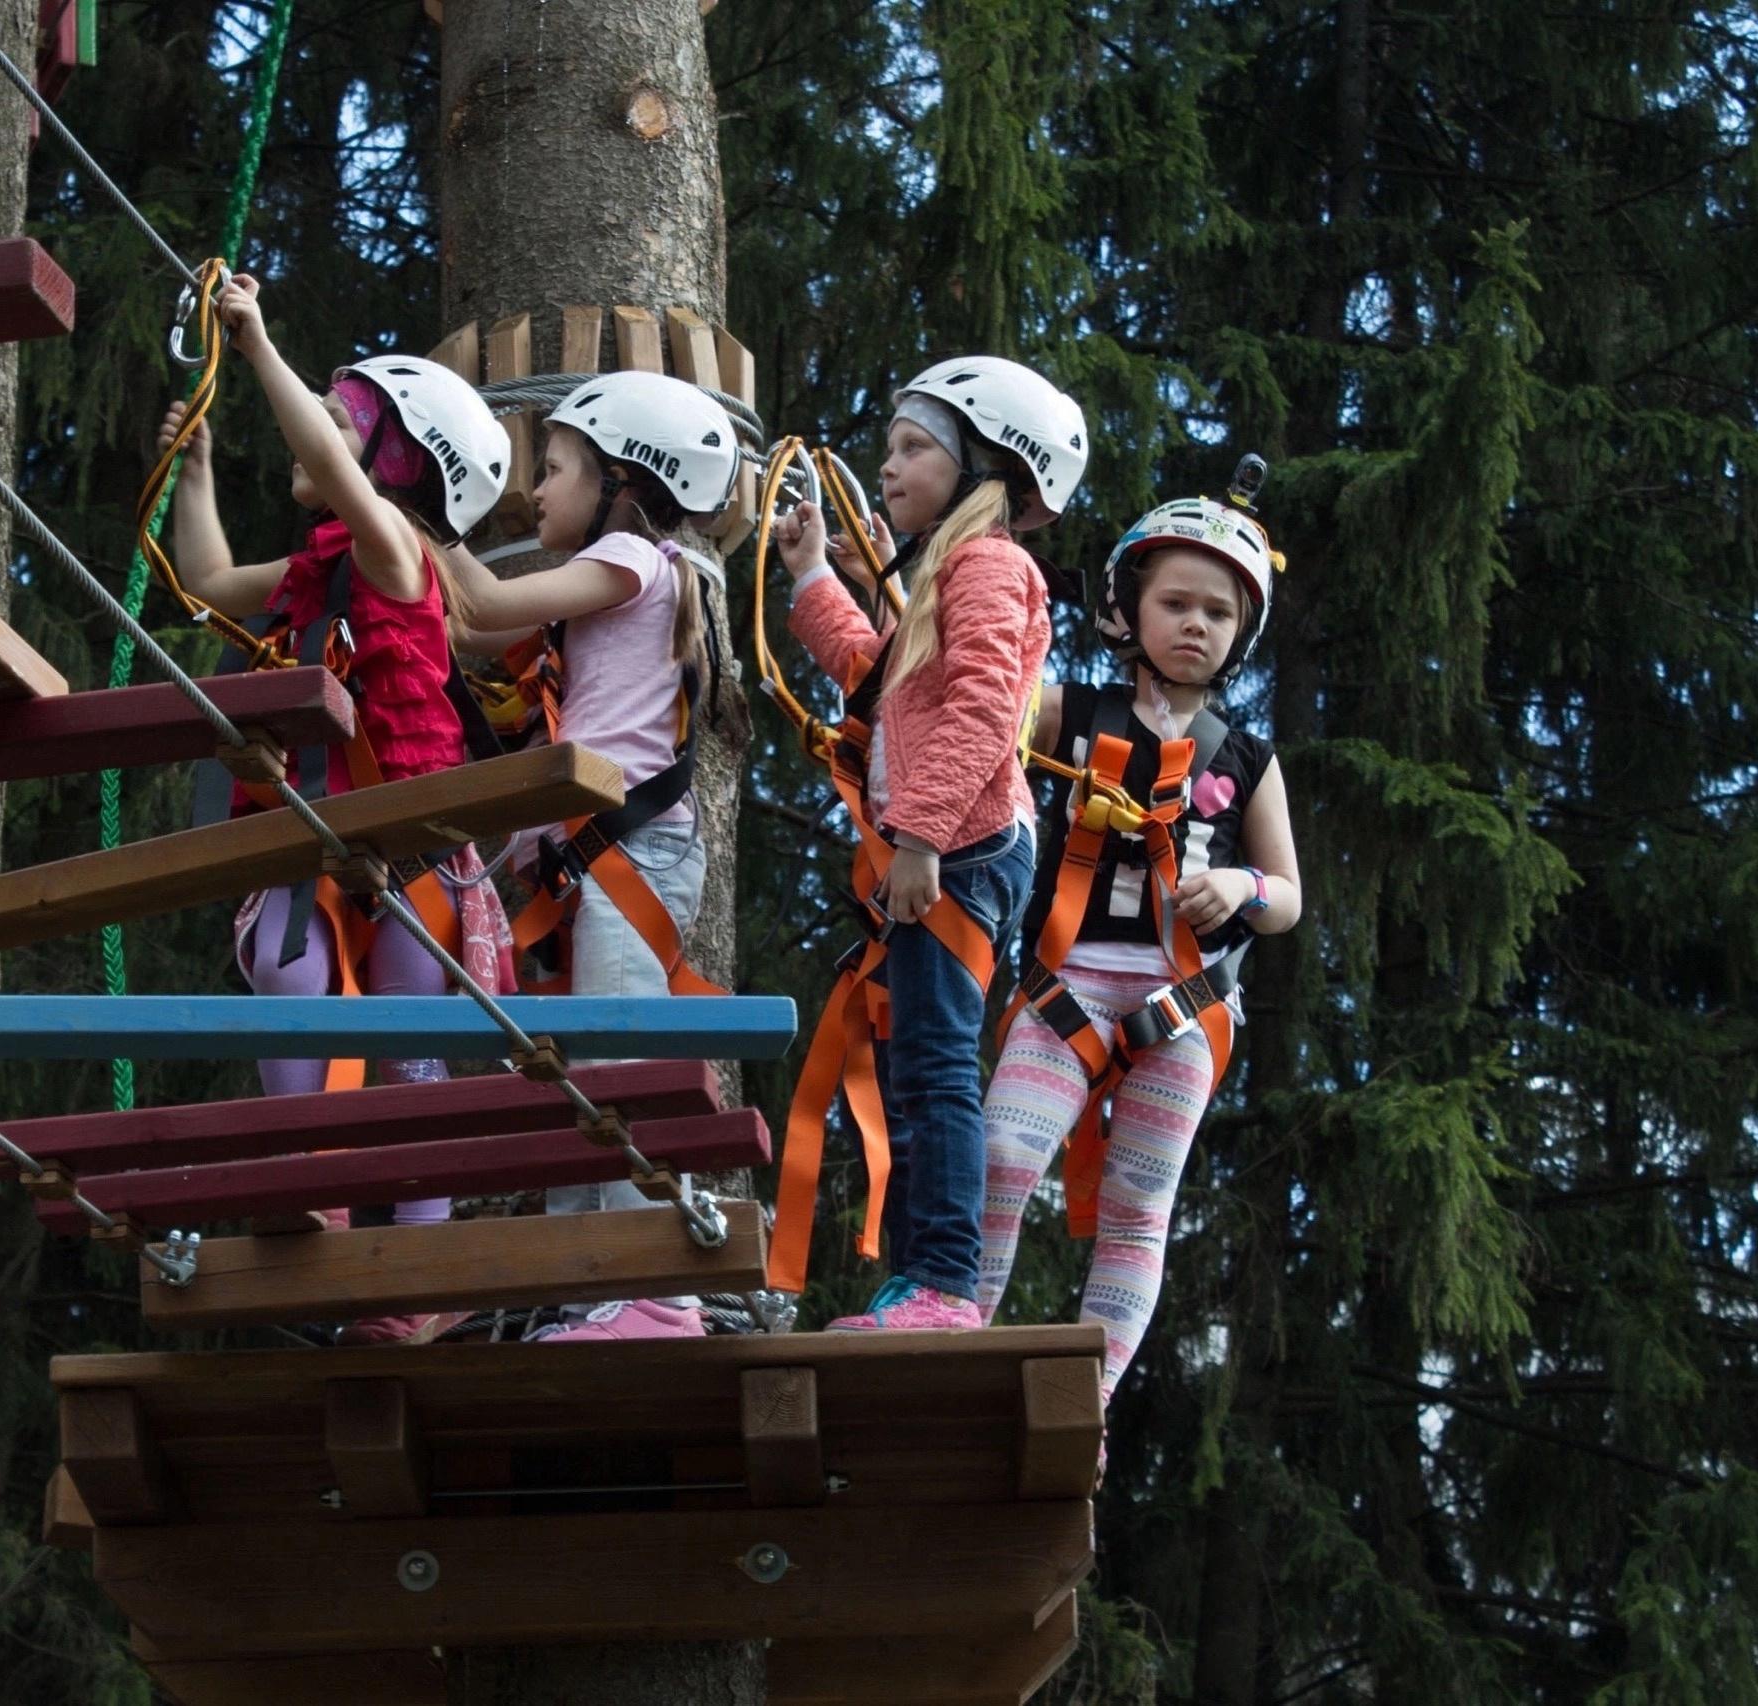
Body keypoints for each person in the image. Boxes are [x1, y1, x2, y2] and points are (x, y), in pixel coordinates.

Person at [155, 272, 515, 1346]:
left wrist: (258, 343)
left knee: (408, 1046)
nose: (320, 434)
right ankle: (307, 1176)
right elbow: (208, 576)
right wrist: (198, 468)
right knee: (284, 965)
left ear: (397, 466)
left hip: (406, 851)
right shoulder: (319, 568)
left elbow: (321, 460)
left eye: (347, 421)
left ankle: (419, 1271)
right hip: (317, 836)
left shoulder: (396, 551)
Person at [977, 471, 1304, 1430]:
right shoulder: (1068, 714)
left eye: (1217, 612)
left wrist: (1242, 886)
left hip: (1183, 1004)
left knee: (1139, 1200)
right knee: (1001, 1154)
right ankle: (951, 1332)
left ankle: (1093, 1399)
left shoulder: (1246, 758)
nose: (1195, 625)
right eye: (1175, 603)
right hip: (1063, 987)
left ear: (1241, 633)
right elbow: (978, 702)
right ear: (1128, 607)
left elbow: (1286, 895)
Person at [769, 357, 1085, 1331]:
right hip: (950, 846)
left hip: (963, 850)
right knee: (918, 1067)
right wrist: (812, 573)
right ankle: (919, 1281)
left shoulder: (988, 566)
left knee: (938, 1067)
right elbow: (875, 673)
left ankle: (945, 1281)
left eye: (914, 448)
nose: (891, 465)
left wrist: (917, 838)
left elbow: (989, 704)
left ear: (982, 463)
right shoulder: (950, 576)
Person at [440, 370, 738, 1342]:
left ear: (624, 477)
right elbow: (463, 630)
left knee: (615, 1061)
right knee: (575, 1081)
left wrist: (413, 503)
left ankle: (656, 1290)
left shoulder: (634, 557)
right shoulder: (602, 594)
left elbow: (479, 597)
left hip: (627, 853)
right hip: (592, 861)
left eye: (555, 466)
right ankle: (587, 1291)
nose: (535, 489)